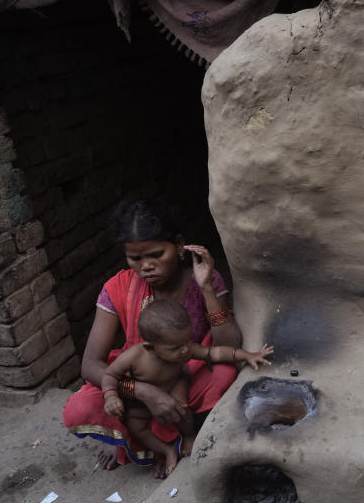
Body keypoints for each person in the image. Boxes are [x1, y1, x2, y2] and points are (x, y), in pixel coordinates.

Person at [63, 199, 245, 477]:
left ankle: (168, 437)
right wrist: (145, 392)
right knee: (81, 407)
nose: (146, 266)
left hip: (184, 373)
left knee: (221, 375)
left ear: (180, 245)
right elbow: (90, 364)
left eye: (157, 254)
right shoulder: (117, 287)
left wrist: (207, 288)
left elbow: (229, 344)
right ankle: (127, 438)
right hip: (137, 377)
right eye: (135, 259)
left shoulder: (202, 280)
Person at [101, 300, 274, 477]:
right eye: (176, 348)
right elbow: (109, 376)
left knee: (182, 410)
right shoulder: (134, 356)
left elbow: (214, 353)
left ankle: (189, 436)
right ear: (150, 348)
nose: (185, 351)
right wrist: (110, 396)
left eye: (187, 342)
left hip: (175, 383)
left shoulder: (185, 348)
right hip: (139, 399)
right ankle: (166, 450)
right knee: (135, 426)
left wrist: (248, 355)